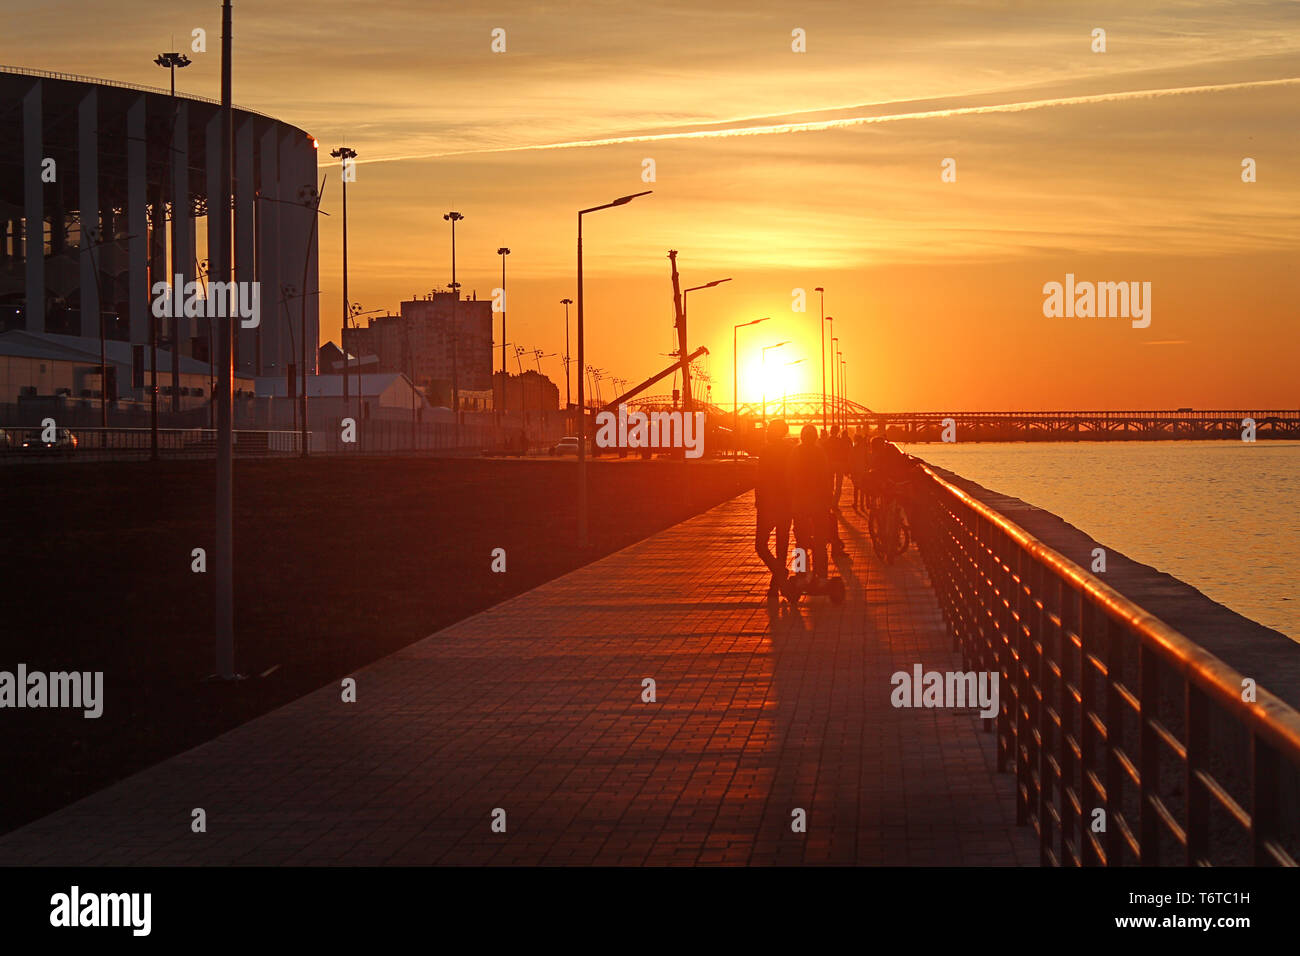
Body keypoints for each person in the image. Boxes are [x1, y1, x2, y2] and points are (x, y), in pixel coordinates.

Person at [754, 419, 795, 602]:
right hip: (786, 503)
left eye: (769, 429)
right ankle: (776, 583)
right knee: (782, 546)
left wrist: (758, 500)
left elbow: (761, 478)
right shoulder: (790, 451)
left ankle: (778, 576)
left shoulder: (766, 451)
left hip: (768, 504)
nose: (767, 431)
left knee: (761, 546)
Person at [788, 423, 833, 584]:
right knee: (820, 542)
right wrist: (829, 499)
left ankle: (800, 574)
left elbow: (790, 477)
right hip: (818, 503)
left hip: (800, 503)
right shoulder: (820, 453)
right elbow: (825, 477)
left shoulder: (796, 452)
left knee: (800, 541)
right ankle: (821, 576)